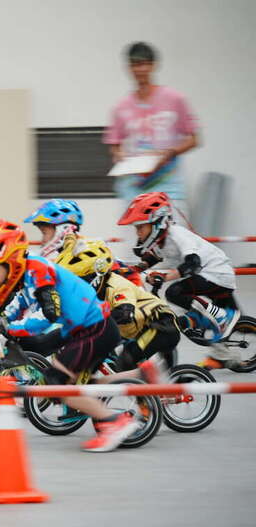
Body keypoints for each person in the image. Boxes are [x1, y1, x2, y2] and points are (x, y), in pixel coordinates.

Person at [0, 219, 144, 452]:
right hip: (85, 328)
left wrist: (12, 328)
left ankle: (114, 422)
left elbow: (49, 313)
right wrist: (4, 318)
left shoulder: (38, 270)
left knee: (56, 383)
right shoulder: (28, 273)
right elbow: (22, 302)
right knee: (78, 383)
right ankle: (141, 375)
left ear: (10, 260)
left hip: (94, 328)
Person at [117, 192, 240, 368]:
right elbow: (154, 257)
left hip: (216, 273)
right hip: (207, 275)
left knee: (174, 292)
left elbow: (193, 263)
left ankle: (220, 317)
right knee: (204, 313)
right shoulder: (161, 240)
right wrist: (135, 269)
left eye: (140, 227)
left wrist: (164, 277)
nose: (138, 232)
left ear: (157, 223)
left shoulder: (177, 235)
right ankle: (222, 354)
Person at [56, 239, 177, 378]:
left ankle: (149, 389)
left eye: (79, 281)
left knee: (126, 361)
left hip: (162, 325)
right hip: (137, 327)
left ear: (96, 275)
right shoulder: (95, 291)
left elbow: (125, 313)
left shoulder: (117, 285)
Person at [104, 42, 199, 216]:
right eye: (135, 64)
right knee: (136, 234)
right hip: (134, 192)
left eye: (144, 64)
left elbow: (194, 139)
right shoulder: (121, 106)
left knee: (172, 233)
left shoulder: (174, 99)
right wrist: (120, 155)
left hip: (169, 190)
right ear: (128, 68)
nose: (140, 69)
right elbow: (114, 144)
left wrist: (171, 152)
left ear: (154, 65)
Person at [25, 198, 142, 285]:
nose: (43, 241)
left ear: (63, 229)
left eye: (44, 233)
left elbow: (129, 275)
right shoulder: (58, 256)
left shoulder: (90, 251)